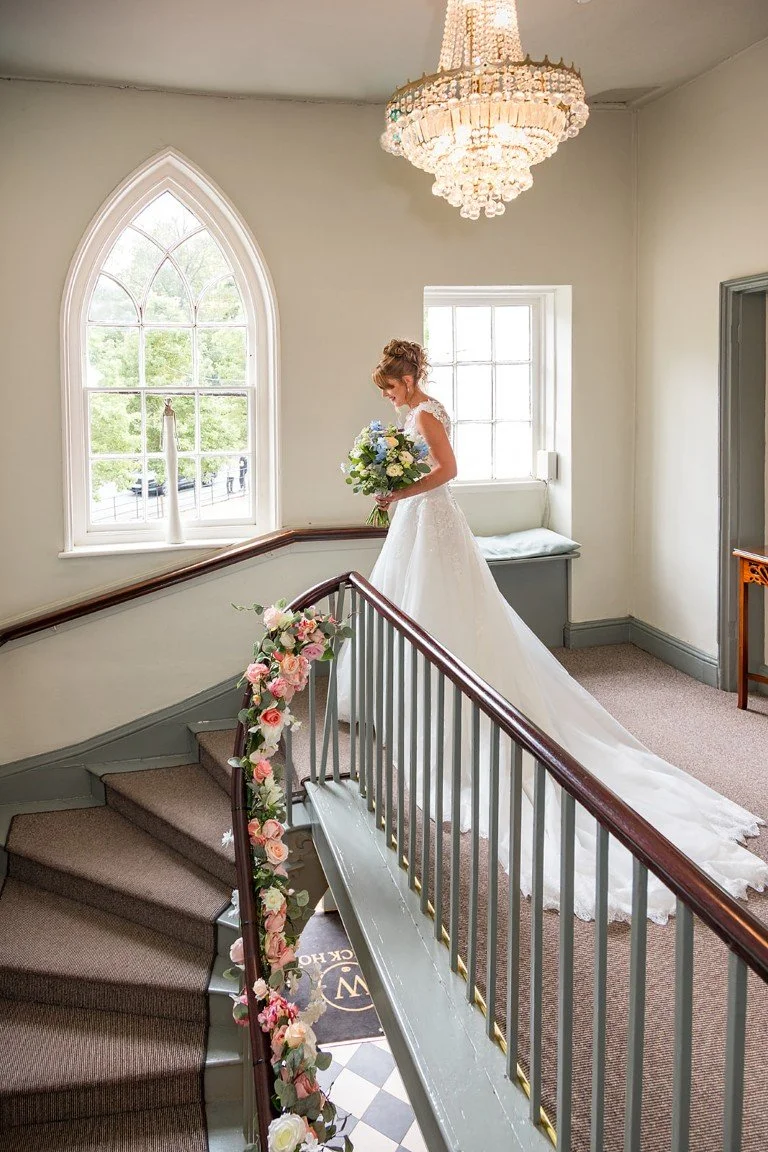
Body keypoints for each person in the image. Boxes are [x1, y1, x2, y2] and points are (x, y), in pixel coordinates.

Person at [336, 339, 768, 923]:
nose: (388, 396)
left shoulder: (427, 412)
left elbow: (447, 472)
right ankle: (414, 697)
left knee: (446, 611)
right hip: (417, 522)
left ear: (408, 379)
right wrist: (395, 489)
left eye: (390, 387)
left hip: (433, 520)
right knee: (408, 607)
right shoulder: (405, 417)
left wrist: (400, 489)